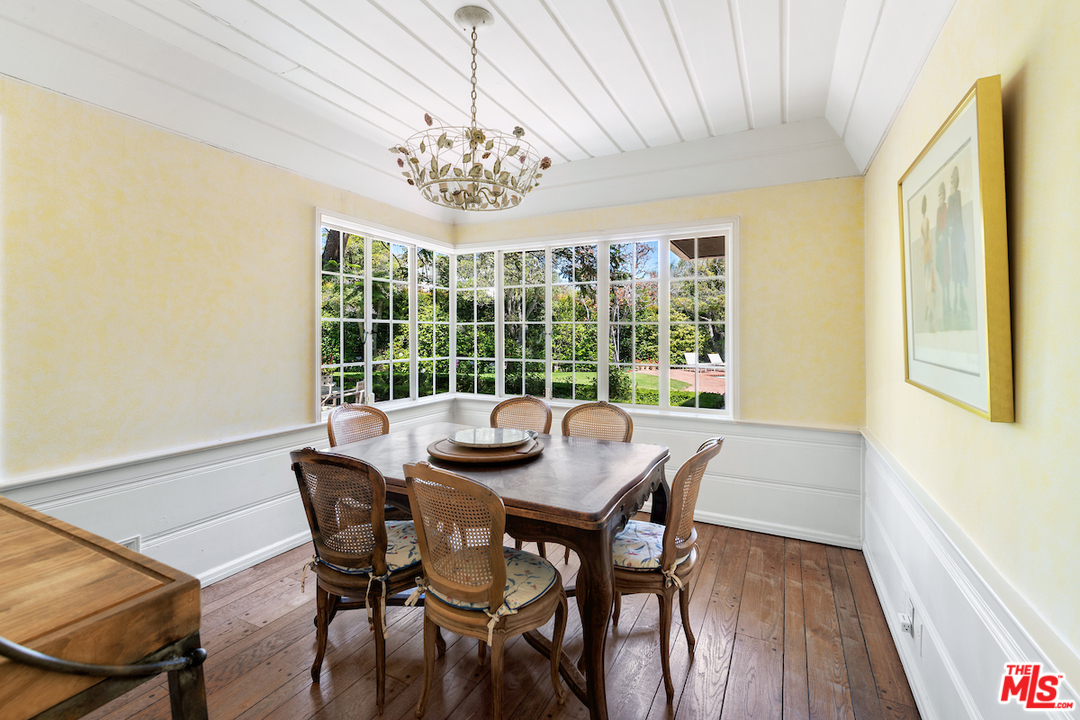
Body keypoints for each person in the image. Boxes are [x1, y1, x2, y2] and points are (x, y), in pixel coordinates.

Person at [947, 165, 969, 320]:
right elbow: (949, 216)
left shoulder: (957, 195)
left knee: (961, 263)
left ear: (956, 181)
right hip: (953, 236)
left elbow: (957, 214)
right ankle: (956, 298)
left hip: (958, 234)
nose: (951, 183)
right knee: (954, 264)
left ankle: (961, 297)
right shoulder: (950, 197)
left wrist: (953, 225)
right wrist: (949, 227)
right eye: (950, 181)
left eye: (953, 181)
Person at [935, 181, 951, 321]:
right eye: (938, 197)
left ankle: (947, 300)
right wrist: (938, 236)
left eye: (940, 196)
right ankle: (945, 299)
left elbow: (948, 225)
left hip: (945, 244)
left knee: (946, 268)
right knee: (940, 267)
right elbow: (937, 228)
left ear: (944, 197)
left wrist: (943, 235)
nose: (939, 199)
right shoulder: (938, 211)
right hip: (940, 245)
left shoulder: (946, 209)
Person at [919, 195, 935, 328]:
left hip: (926, 253)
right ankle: (928, 308)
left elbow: (925, 237)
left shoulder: (923, 222)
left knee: (927, 283)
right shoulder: (926, 221)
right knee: (928, 282)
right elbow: (926, 237)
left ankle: (929, 308)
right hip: (926, 252)